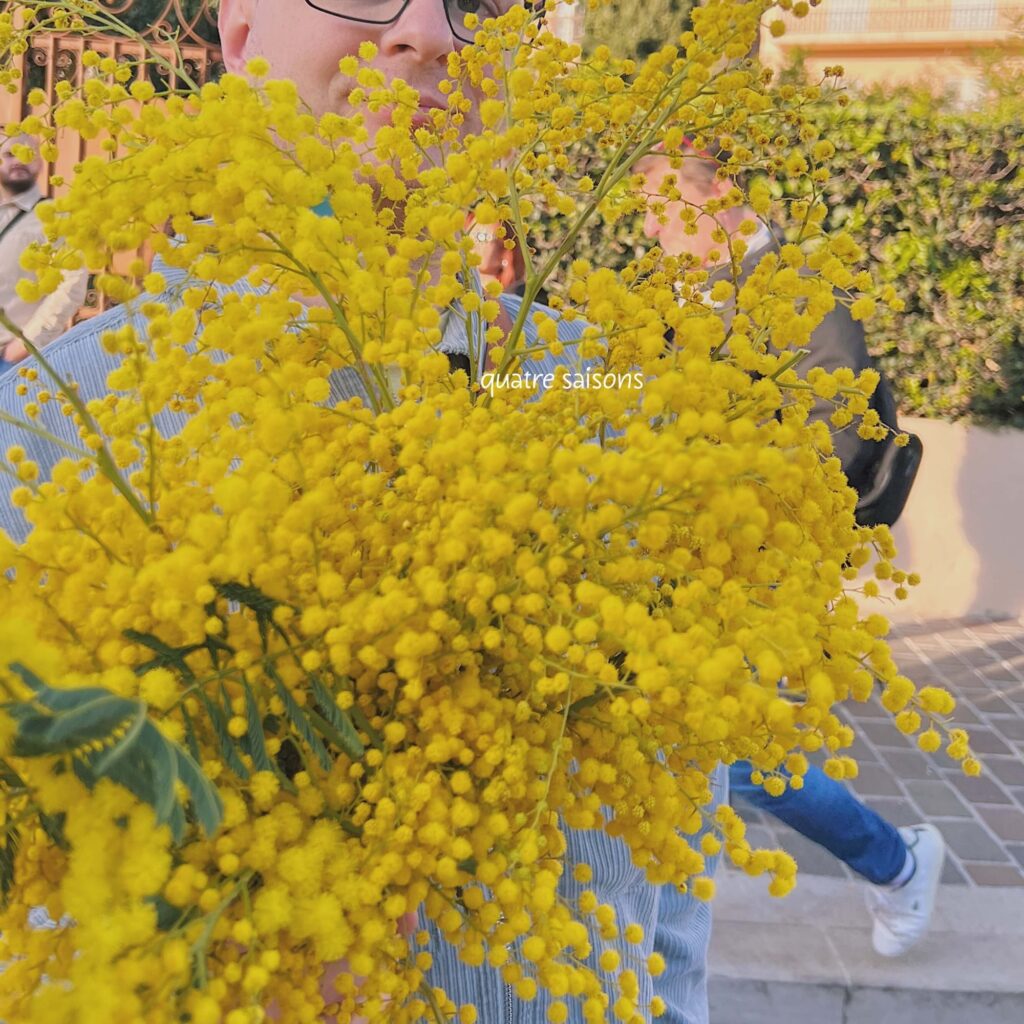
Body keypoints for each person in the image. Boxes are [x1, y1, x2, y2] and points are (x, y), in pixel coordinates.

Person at [0, 3, 724, 1021]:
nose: (426, 33)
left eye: (477, 1)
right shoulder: (38, 438)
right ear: (240, 26)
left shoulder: (618, 414)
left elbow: (676, 873)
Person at [635, 145, 945, 958]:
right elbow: (626, 391)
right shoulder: (699, 295)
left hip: (760, 568)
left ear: (724, 193)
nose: (653, 229)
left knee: (721, 756)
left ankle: (898, 862)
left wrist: (704, 471)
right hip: (688, 557)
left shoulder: (799, 295)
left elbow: (828, 447)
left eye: (664, 209)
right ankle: (894, 864)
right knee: (699, 751)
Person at [0, 135, 88, 371]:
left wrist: (30, 341)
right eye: (9, 154)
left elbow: (73, 283)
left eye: (27, 154)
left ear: (39, 163)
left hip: (10, 358)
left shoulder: (56, 218)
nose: (18, 160)